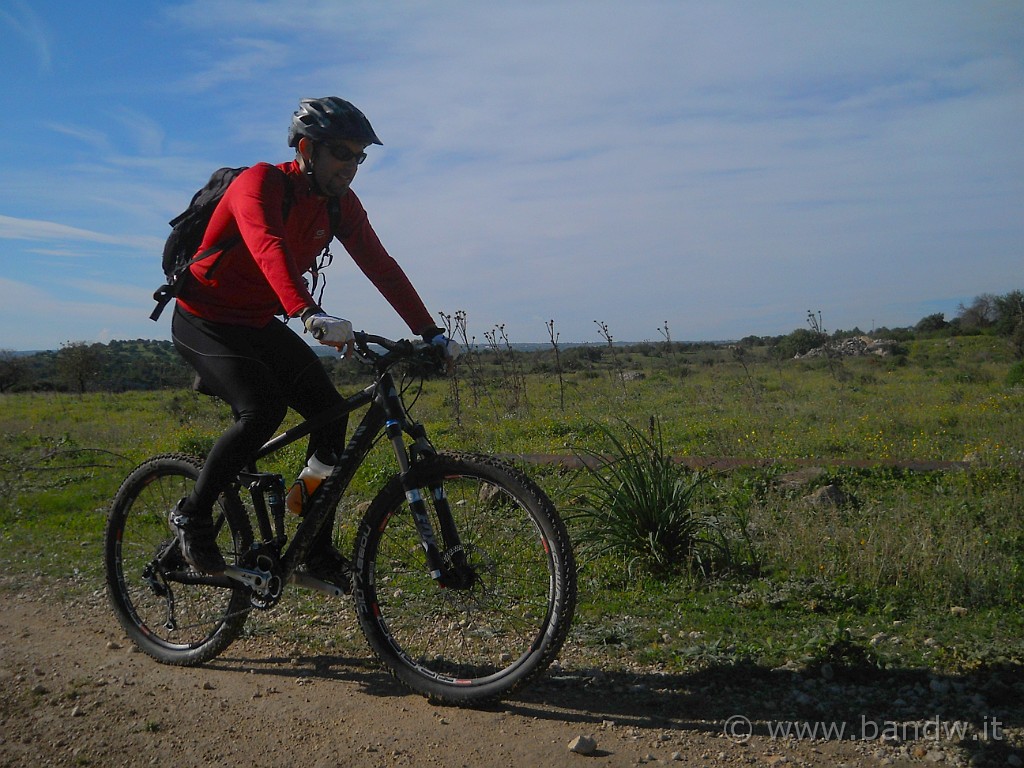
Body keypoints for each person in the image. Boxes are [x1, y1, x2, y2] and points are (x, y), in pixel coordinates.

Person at [168, 96, 458, 591]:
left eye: (360, 157)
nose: (352, 166)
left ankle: (311, 544)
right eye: (343, 153)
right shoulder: (257, 183)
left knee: (331, 414)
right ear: (307, 148)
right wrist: (308, 312)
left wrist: (429, 332)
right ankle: (193, 517)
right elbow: (267, 247)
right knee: (260, 410)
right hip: (205, 318)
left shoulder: (339, 204)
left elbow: (381, 266)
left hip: (258, 320)